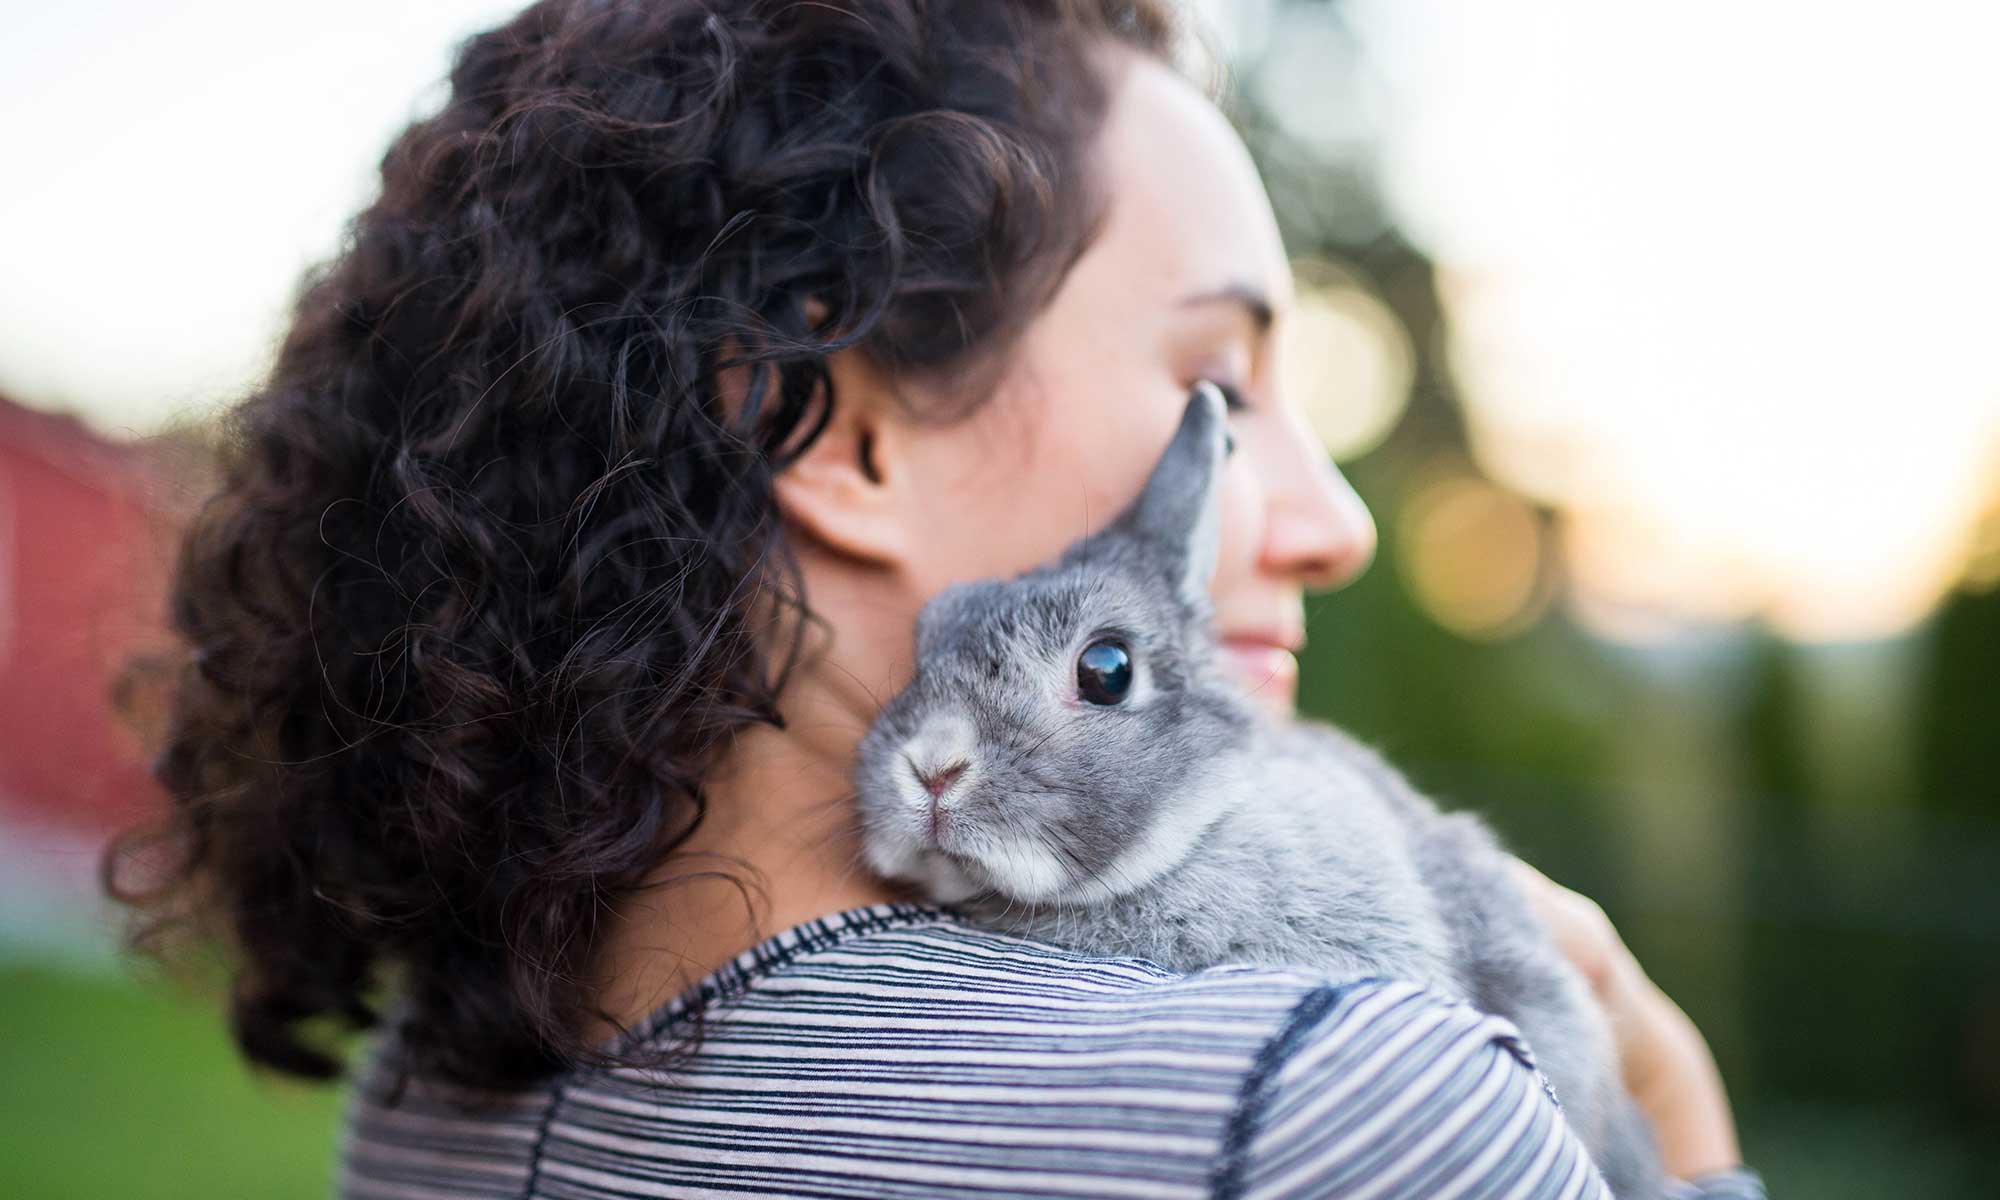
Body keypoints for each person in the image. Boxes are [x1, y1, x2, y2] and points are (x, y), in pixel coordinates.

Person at [107, 1, 1766, 1196]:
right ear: (837, 428)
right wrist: (1681, 1134)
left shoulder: (427, 1109)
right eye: (1218, 382)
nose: (1332, 523)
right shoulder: (1322, 1108)